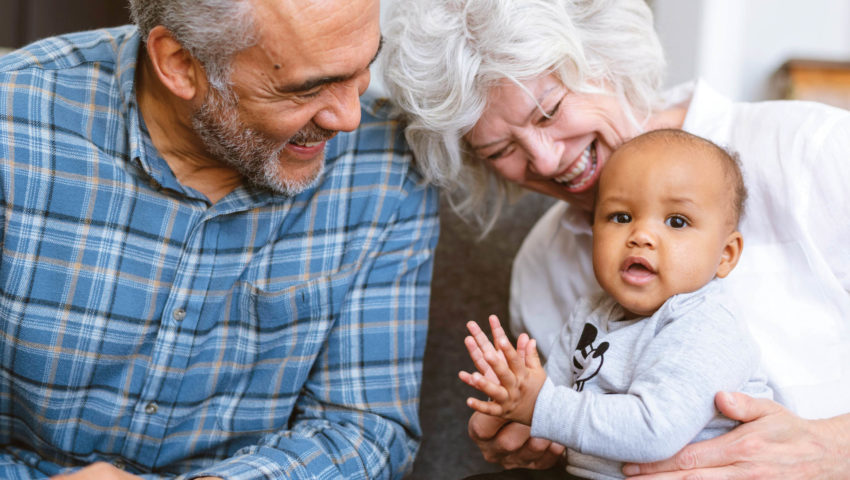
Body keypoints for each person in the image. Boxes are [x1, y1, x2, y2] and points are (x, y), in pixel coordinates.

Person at [380, 0, 850, 477]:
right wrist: (536, 429)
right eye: (501, 149)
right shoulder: (541, 267)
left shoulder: (816, 153)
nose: (543, 161)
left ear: (606, 59)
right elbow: (576, 416)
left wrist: (832, 448)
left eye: (549, 112)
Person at [0, 0, 438, 478]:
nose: (349, 117)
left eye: (363, 67)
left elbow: (363, 431)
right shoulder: (13, 127)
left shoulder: (385, 166)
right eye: (306, 89)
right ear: (179, 64)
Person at [459, 129, 772, 480]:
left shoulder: (707, 325)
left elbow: (654, 431)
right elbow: (555, 400)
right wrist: (510, 402)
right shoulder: (591, 312)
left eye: (677, 221)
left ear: (725, 256)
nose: (641, 235)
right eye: (621, 217)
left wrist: (539, 405)